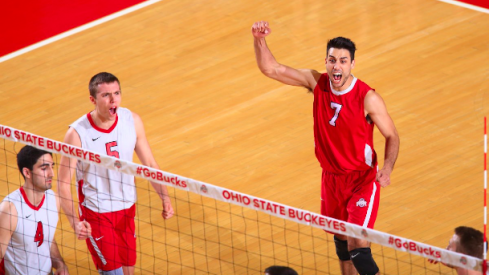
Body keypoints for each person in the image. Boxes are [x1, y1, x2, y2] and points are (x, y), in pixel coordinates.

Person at [252, 21, 400, 275]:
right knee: (342, 241)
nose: (337, 66)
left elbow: (392, 136)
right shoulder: (316, 82)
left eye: (343, 61)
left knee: (357, 242)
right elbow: (271, 69)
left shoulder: (367, 98)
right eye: (332, 60)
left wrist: (387, 168)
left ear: (352, 64)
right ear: (326, 61)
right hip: (331, 178)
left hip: (362, 179)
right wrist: (258, 39)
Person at [57, 72, 174, 275]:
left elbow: (150, 164)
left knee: (128, 271)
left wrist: (164, 197)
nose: (114, 100)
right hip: (97, 212)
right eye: (106, 95)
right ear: (93, 100)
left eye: (117, 93)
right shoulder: (77, 134)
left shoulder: (132, 120)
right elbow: (63, 183)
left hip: (127, 208)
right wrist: (74, 222)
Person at [0, 145, 69, 275]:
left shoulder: (53, 200)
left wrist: (60, 264)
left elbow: (46, 239)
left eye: (52, 166)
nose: (51, 174)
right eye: (44, 168)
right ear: (27, 173)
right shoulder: (10, 210)